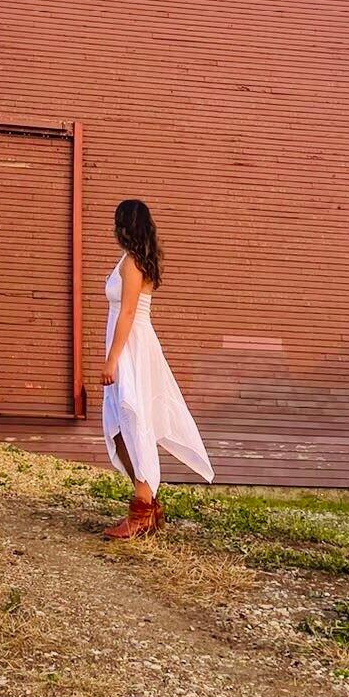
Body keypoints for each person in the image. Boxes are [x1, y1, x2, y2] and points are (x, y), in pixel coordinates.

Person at [101, 198, 214, 539]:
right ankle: (148, 502)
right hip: (129, 345)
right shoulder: (130, 260)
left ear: (125, 225)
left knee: (133, 420)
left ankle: (142, 509)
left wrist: (112, 359)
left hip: (133, 348)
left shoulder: (132, 264)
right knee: (119, 425)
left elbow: (129, 313)